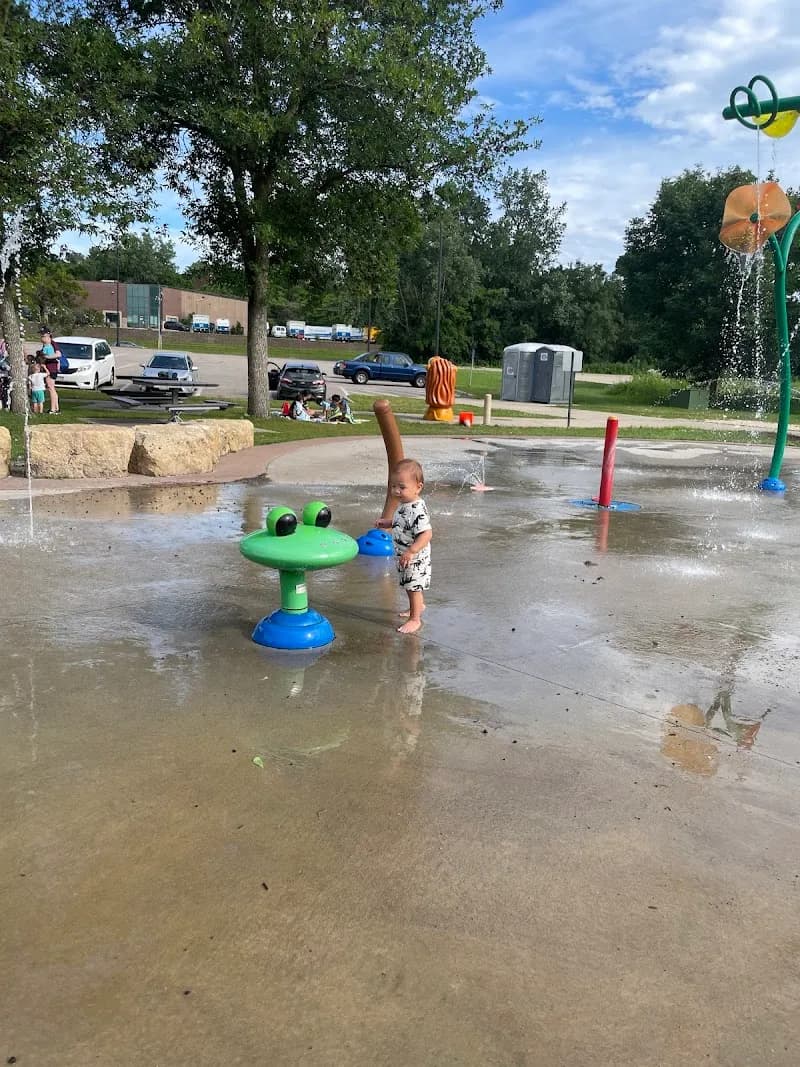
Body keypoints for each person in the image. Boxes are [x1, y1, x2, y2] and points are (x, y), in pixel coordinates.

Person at [377, 458, 432, 634]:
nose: (396, 491)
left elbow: (426, 533)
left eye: (402, 487)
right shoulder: (405, 505)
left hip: (414, 557)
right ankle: (418, 607)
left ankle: (415, 619)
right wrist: (388, 523)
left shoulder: (417, 509)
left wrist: (411, 551)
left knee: (413, 587)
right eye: (393, 486)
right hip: (405, 556)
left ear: (418, 487)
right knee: (409, 585)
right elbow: (403, 522)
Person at [39, 330, 60, 414]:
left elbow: (58, 354)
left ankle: (53, 409)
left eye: (43, 336)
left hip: (51, 368)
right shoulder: (46, 345)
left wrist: (46, 357)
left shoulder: (52, 344)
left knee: (51, 388)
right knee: (52, 388)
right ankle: (56, 408)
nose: (41, 338)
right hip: (49, 368)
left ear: (48, 336)